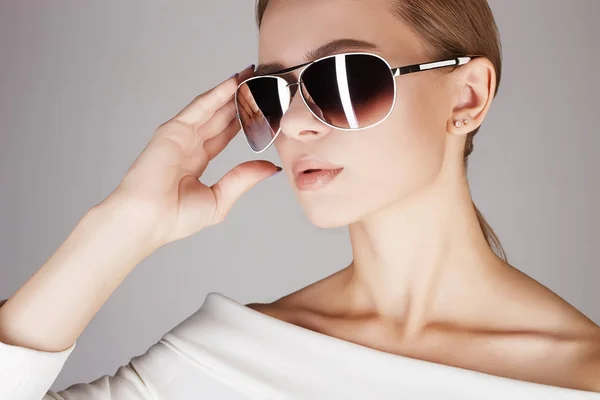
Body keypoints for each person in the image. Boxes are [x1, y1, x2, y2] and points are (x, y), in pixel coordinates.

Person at [1, 0, 599, 398]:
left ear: (467, 97)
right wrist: (120, 228)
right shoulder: (223, 359)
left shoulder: (580, 377)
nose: (293, 124)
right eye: (272, 91)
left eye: (343, 79)